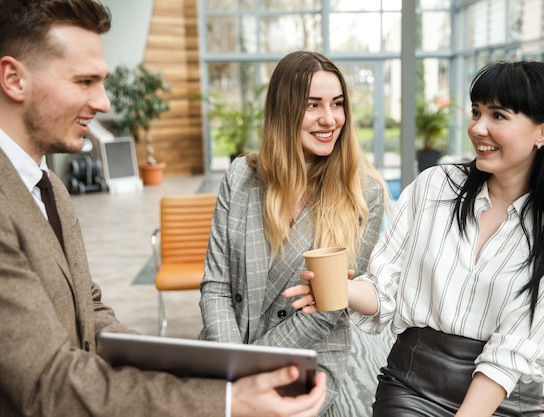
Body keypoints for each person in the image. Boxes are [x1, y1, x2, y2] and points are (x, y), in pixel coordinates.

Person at [0, 1, 327, 416]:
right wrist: (226, 400)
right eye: (84, 81)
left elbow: (89, 309)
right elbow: (48, 382)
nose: (102, 103)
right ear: (13, 78)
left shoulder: (51, 189)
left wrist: (186, 367)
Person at [287, 61, 544, 417]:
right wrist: (339, 291)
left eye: (498, 116)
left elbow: (512, 353)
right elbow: (386, 291)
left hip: (503, 401)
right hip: (412, 388)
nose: (478, 128)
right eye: (476, 112)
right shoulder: (435, 187)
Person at [198, 50, 389, 416]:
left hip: (306, 356)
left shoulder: (363, 194)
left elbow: (325, 310)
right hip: (227, 351)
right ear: (284, 111)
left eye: (337, 104)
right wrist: (233, 363)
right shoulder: (240, 177)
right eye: (313, 105)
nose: (329, 119)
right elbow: (217, 285)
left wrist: (251, 368)